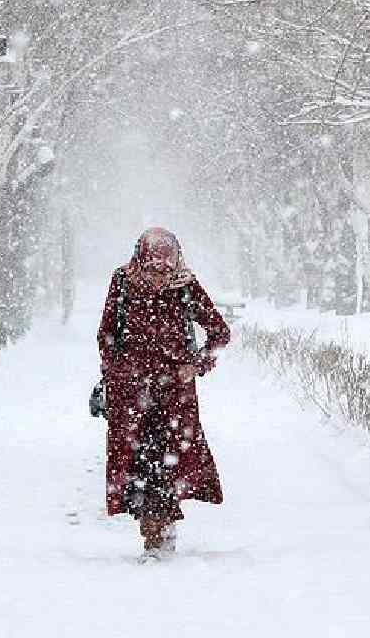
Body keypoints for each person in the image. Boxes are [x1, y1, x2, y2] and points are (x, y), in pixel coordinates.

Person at [97, 227, 231, 562]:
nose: (158, 277)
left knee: (167, 462)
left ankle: (160, 532)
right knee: (138, 464)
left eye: (164, 269)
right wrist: (117, 371)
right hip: (131, 395)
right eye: (151, 268)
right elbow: (106, 333)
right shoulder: (123, 282)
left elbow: (219, 332)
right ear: (140, 259)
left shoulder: (185, 285)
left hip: (174, 395)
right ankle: (153, 530)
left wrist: (196, 365)